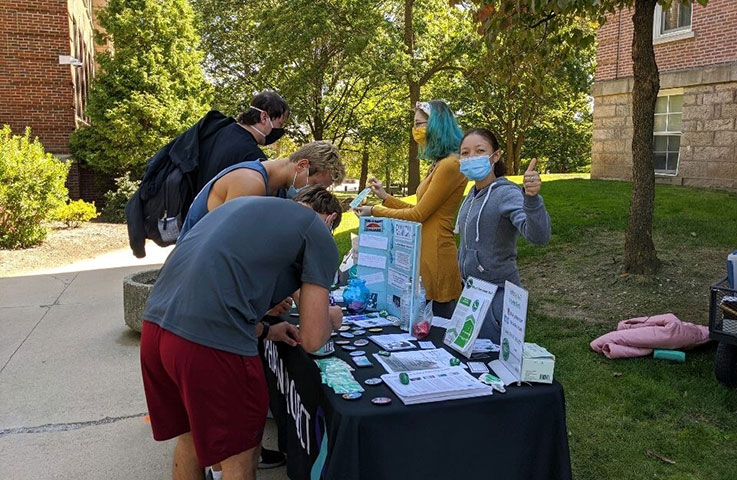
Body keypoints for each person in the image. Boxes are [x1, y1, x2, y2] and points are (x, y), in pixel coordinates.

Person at [140, 187, 344, 480]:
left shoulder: (251, 207)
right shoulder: (318, 232)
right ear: (331, 219)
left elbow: (214, 291)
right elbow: (312, 340)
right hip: (209, 347)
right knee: (239, 457)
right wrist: (329, 318)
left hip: (156, 329)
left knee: (190, 439)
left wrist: (266, 331)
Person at [354, 100, 467, 318]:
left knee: (436, 325)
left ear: (436, 125)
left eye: (419, 123)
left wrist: (375, 211)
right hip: (424, 251)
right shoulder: (439, 163)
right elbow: (421, 210)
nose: (415, 130)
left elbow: (418, 215)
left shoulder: (450, 165)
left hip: (436, 255)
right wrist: (386, 198)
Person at [456, 128, 551, 343]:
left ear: (495, 156)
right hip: (471, 294)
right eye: (465, 153)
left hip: (497, 297)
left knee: (493, 366)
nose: (471, 158)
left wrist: (532, 199)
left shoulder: (505, 192)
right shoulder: (472, 195)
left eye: (480, 151)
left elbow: (539, 236)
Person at [179, 141, 345, 242]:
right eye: (315, 184)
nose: (313, 191)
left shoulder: (280, 190)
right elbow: (236, 245)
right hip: (189, 273)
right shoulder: (249, 182)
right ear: (302, 165)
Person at [196, 90, 290, 191]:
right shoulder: (252, 156)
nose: (280, 130)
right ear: (263, 117)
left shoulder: (217, 128)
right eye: (280, 124)